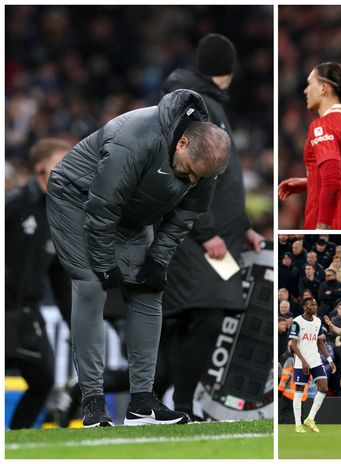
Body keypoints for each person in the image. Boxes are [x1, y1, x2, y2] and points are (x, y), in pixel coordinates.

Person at [46, 89, 230, 427]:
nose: (192, 181)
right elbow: (102, 207)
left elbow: (184, 218)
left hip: (132, 214)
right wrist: (103, 263)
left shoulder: (206, 164)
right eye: (190, 172)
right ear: (182, 144)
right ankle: (92, 402)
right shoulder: (135, 138)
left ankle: (142, 404)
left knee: (148, 290)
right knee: (90, 287)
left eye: (199, 178)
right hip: (77, 198)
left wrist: (157, 261)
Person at [158, 33, 265, 420]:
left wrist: (246, 225)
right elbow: (187, 171)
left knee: (200, 316)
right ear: (230, 70)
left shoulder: (208, 102)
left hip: (219, 235)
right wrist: (206, 232)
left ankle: (164, 400)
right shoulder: (193, 102)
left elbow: (226, 178)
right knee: (207, 313)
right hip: (198, 236)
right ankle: (177, 403)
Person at [5, 138, 72, 429]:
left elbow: (59, 277)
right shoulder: (14, 203)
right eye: (61, 167)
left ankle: (16, 437)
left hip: (28, 312)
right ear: (39, 170)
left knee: (43, 379)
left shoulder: (60, 216)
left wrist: (74, 321)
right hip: (5, 308)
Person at [278, 62, 341, 229]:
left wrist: (322, 226)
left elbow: (332, 181)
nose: (306, 90)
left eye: (309, 84)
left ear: (323, 88)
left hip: (334, 226)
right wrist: (311, 182)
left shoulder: (324, 125)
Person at [289, 297, 336, 433]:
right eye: (311, 305)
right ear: (304, 307)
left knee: (324, 387)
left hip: (315, 360)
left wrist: (329, 360)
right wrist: (303, 361)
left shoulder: (318, 321)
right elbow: (293, 344)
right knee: (298, 392)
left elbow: (320, 342)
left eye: (315, 305)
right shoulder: (297, 321)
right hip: (301, 362)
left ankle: (310, 418)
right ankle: (298, 424)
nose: (314, 307)